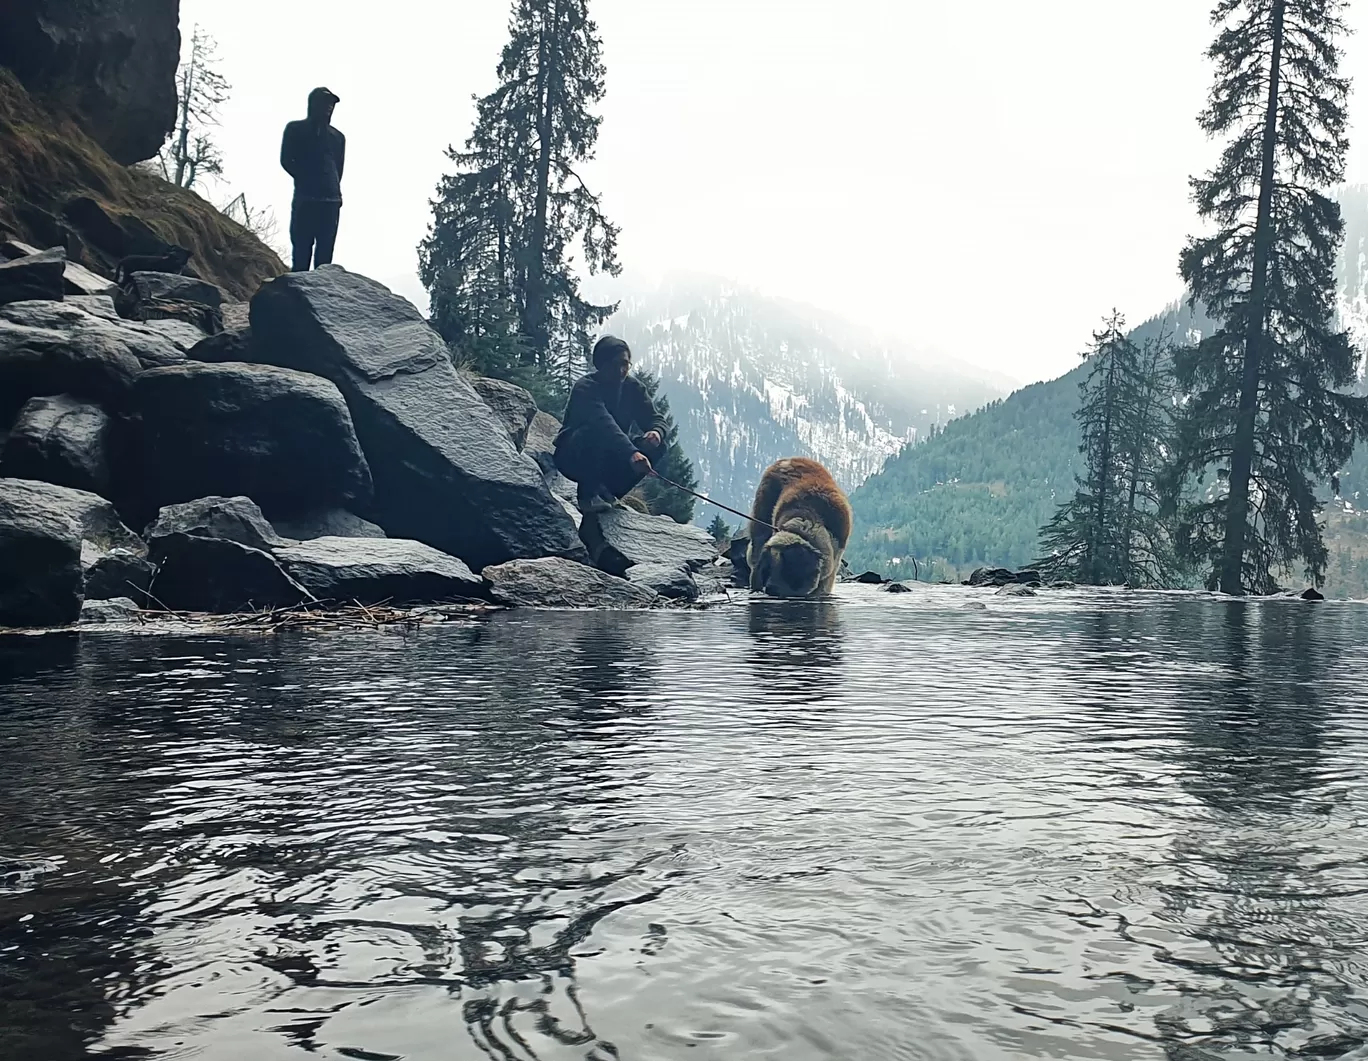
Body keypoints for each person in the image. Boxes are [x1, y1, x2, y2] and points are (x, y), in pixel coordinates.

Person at [554, 335, 668, 513]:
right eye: (615, 365)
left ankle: (610, 493)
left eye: (625, 364)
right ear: (601, 364)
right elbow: (603, 424)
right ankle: (587, 495)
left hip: (613, 453)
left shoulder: (634, 388)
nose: (621, 370)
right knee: (594, 433)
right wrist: (632, 453)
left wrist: (656, 432)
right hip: (573, 456)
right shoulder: (585, 387)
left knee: (656, 446)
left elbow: (656, 418)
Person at [280, 87, 345, 272]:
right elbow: (286, 160)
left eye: (331, 104)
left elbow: (338, 169)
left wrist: (329, 186)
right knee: (301, 252)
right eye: (325, 103)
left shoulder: (338, 137)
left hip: (331, 201)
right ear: (313, 104)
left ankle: (322, 297)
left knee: (325, 257)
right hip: (306, 199)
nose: (329, 108)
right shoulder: (295, 129)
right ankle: (296, 297)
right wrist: (307, 178)